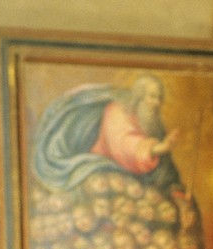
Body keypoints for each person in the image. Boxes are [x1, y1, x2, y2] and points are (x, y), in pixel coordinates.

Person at [32, 75, 181, 194]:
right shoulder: (117, 111)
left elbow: (165, 166)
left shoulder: (151, 121)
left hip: (132, 177)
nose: (157, 102)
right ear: (139, 96)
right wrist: (157, 149)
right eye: (152, 96)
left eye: (160, 98)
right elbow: (125, 144)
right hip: (102, 168)